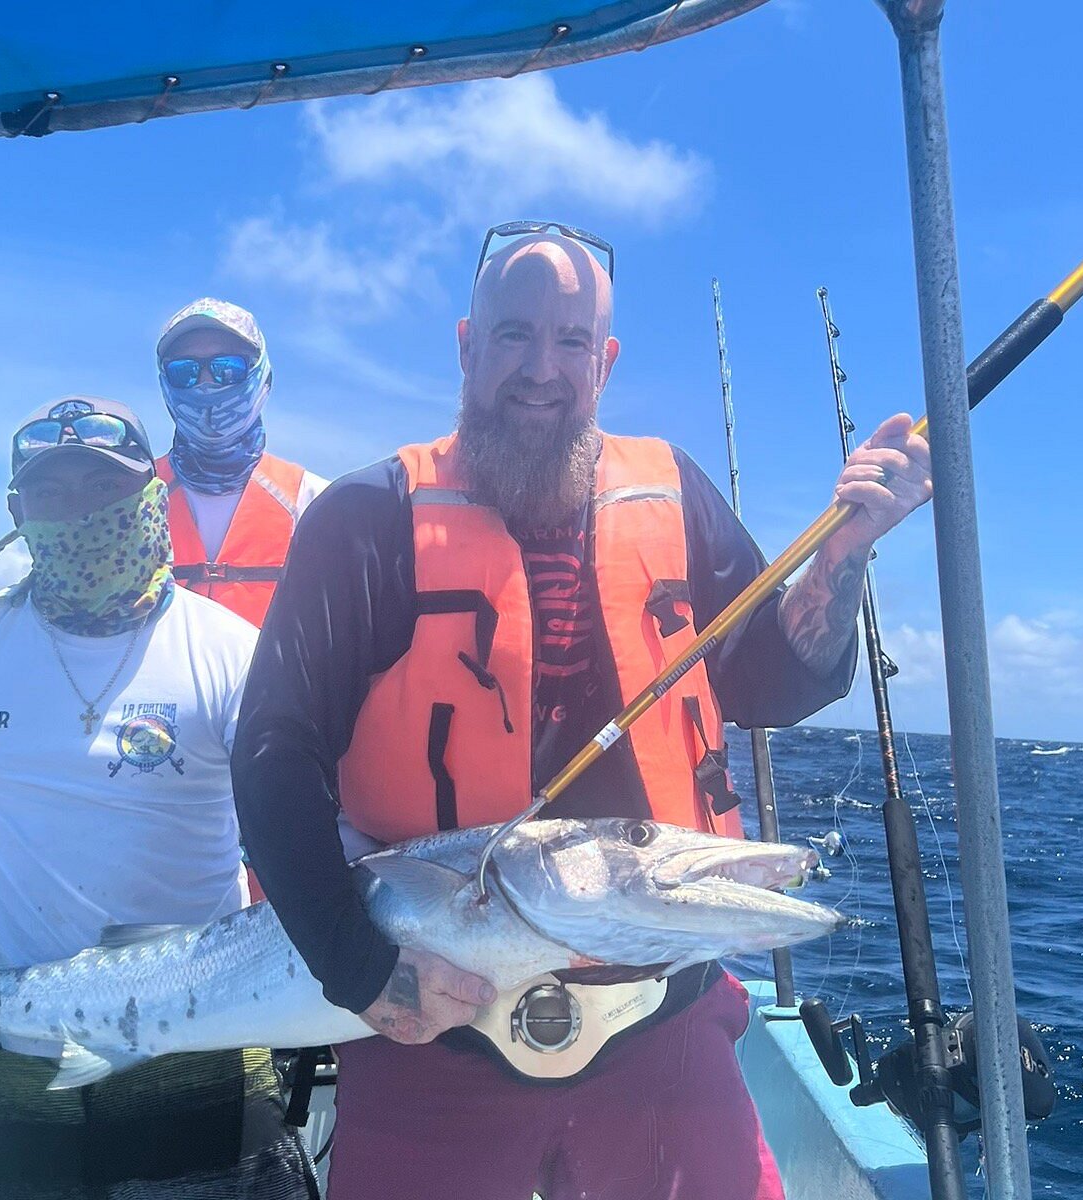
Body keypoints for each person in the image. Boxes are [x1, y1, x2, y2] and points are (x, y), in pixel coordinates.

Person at [231, 226, 934, 1200]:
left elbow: (779, 680)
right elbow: (271, 752)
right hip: (434, 1031)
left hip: (663, 1023)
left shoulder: (675, 492)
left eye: (570, 342)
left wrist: (846, 547)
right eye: (515, 335)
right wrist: (358, 969)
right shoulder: (366, 518)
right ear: (468, 345)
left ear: (604, 363)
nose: (540, 369)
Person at [0, 395, 317, 1200]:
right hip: (8, 1041)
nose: (80, 511)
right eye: (52, 493)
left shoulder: (231, 651)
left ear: (151, 493)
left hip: (201, 1038)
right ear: (17, 510)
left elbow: (303, 825)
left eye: (104, 488)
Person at [156, 298, 327, 628]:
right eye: (184, 372)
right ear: (165, 383)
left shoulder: (314, 502)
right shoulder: (131, 499)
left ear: (263, 378)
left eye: (228, 368)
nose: (205, 383)